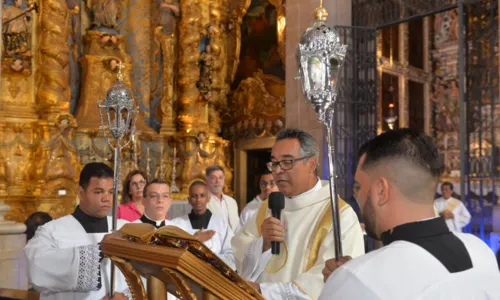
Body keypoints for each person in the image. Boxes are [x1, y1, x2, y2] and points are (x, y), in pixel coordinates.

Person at [320, 129, 500, 299]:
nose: (356, 195)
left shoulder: (358, 280)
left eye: (358, 187)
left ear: (381, 191)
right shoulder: (481, 252)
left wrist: (342, 284)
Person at [232, 128, 364, 299]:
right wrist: (263, 244)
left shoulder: (339, 215)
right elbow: (239, 251)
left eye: (287, 162)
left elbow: (330, 280)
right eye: (274, 163)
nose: (277, 171)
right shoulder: (267, 208)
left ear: (311, 164)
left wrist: (263, 292)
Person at [24, 162, 130, 299]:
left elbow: (142, 277)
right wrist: (98, 251)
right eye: (98, 192)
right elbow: (37, 270)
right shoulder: (52, 231)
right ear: (81, 193)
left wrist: (126, 296)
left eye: (110, 192)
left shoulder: (124, 229)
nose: (106, 198)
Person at [171, 181, 235, 269]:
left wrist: (208, 259)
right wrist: (193, 241)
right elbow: (172, 253)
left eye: (202, 196)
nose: (198, 200)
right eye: (194, 196)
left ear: (208, 199)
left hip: (214, 274)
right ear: (189, 200)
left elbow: (231, 253)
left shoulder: (221, 224)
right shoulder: (177, 224)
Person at [205, 165, 240, 232]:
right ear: (207, 180)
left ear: (224, 179)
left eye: (220, 177)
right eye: (213, 178)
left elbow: (236, 226)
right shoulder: (202, 202)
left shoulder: (232, 202)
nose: (217, 181)